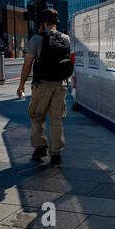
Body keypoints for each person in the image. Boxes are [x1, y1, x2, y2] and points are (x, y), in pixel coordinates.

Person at [17, 9, 73, 165]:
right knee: (56, 119)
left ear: (43, 22)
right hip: (60, 85)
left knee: (37, 116)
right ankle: (56, 153)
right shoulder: (66, 38)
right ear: (56, 22)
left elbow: (28, 64)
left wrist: (21, 85)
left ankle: (40, 147)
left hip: (41, 85)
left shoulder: (37, 39)